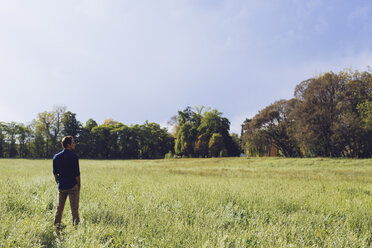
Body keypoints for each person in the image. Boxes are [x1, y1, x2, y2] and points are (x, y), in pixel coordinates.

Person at [53, 136, 81, 227]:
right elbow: (77, 174)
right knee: (74, 210)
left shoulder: (56, 157)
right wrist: (79, 186)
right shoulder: (74, 157)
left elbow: (55, 174)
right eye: (73, 142)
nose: (74, 144)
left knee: (59, 209)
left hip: (61, 187)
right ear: (68, 144)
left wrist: (58, 183)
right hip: (73, 186)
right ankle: (76, 229)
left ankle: (56, 226)